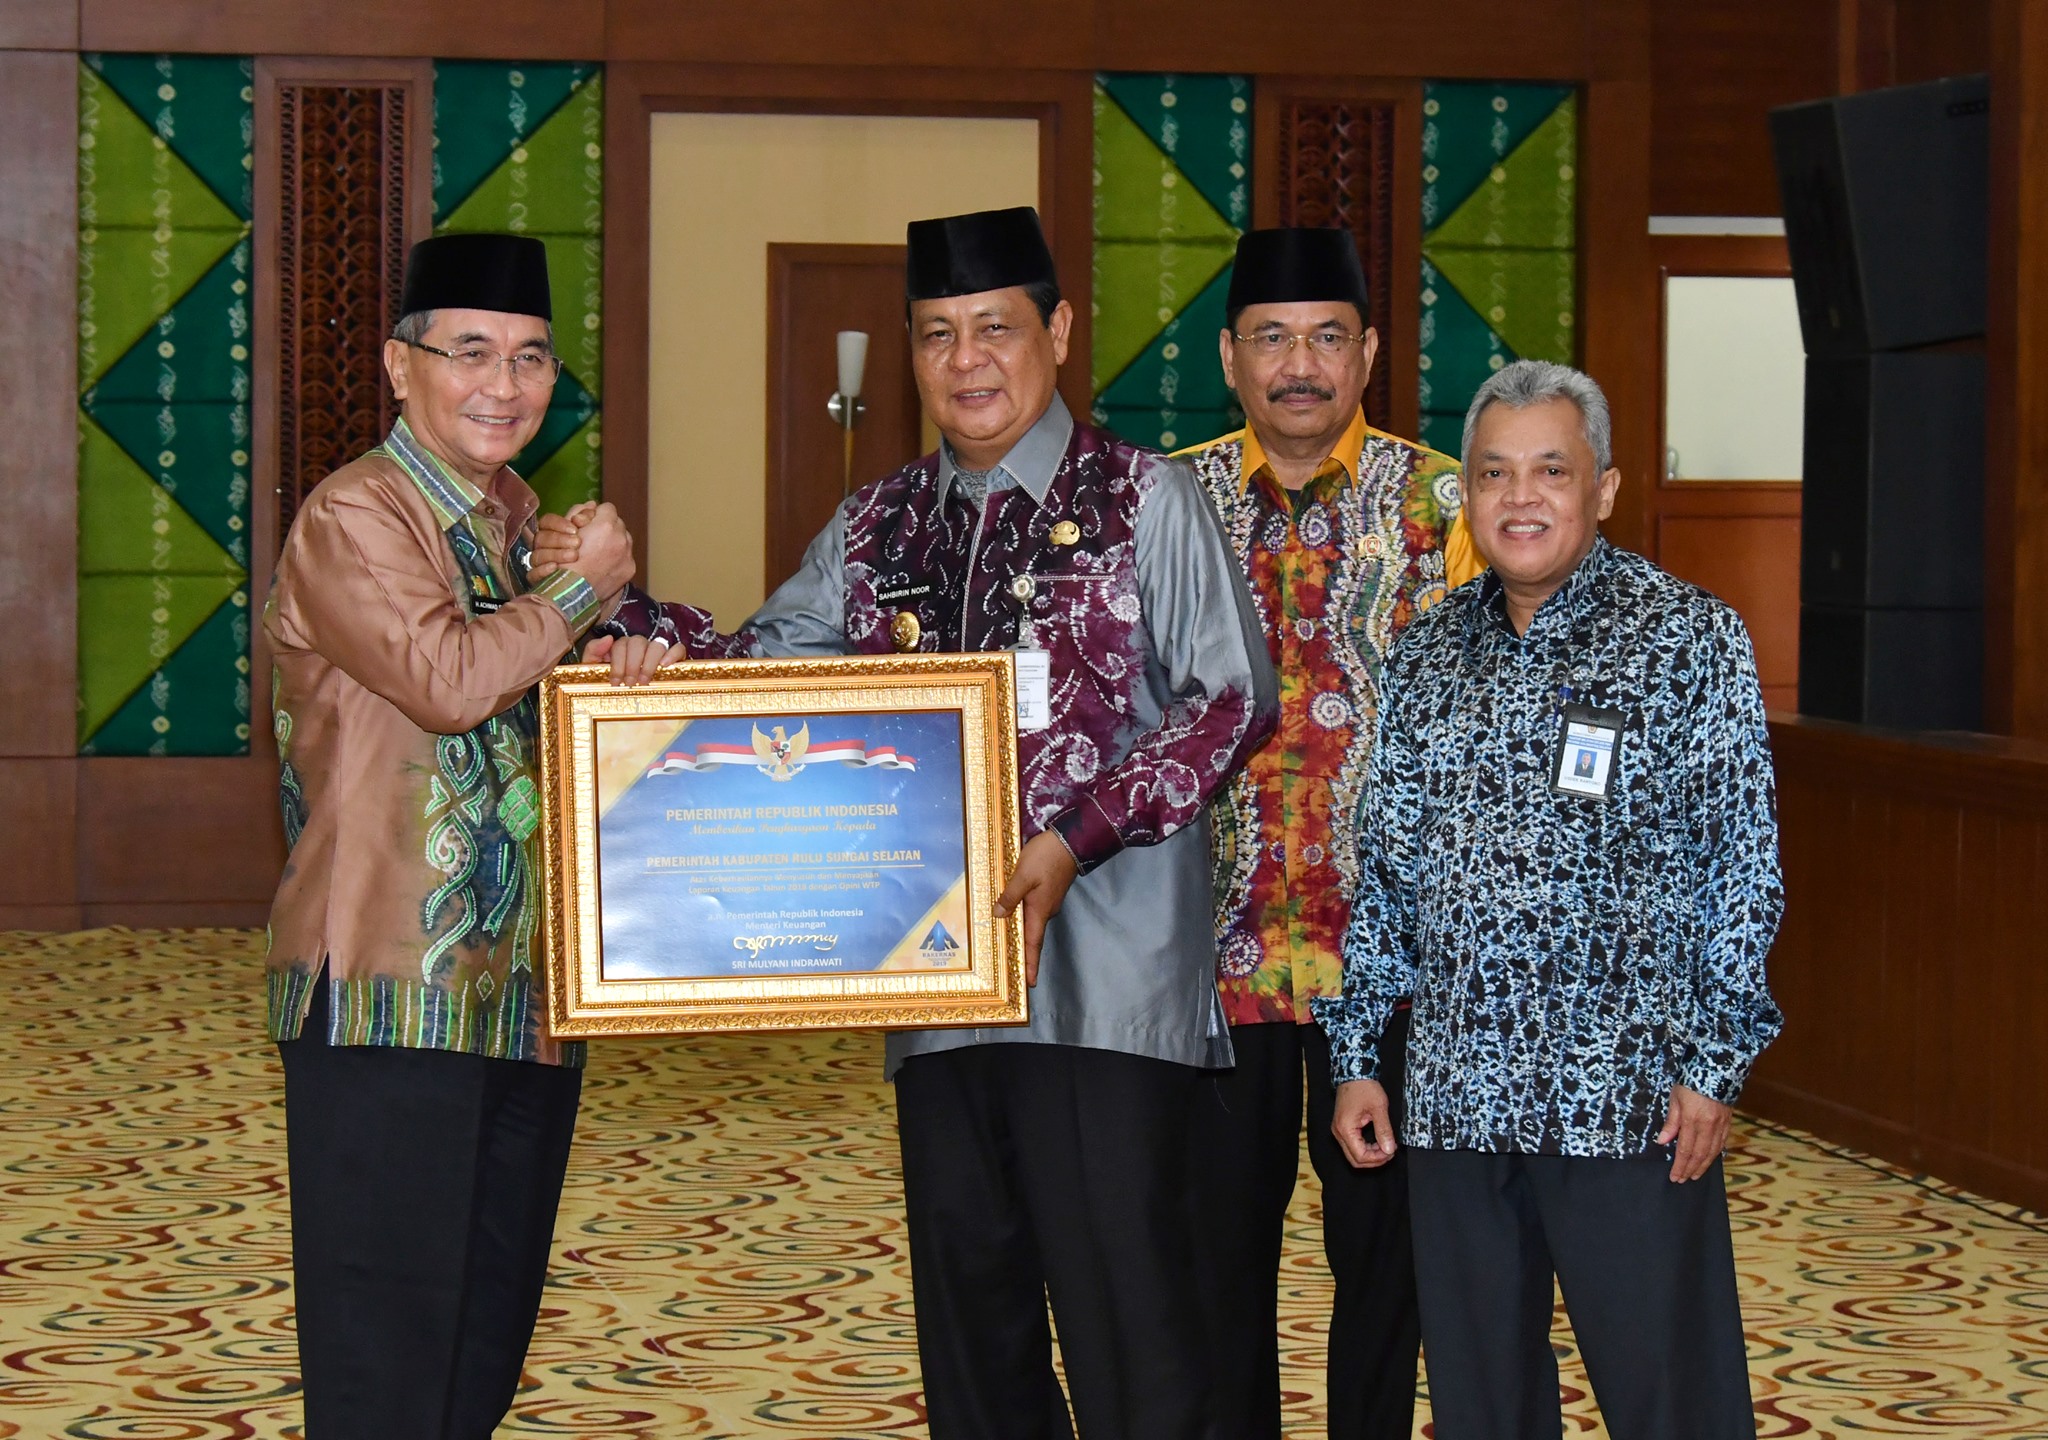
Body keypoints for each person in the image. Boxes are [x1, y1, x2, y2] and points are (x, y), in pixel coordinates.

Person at [542, 206, 1277, 1440]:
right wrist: (638, 627)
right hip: (938, 983)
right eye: (936, 335)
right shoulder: (880, 524)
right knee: (971, 1326)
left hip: (1105, 987)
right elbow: (764, 674)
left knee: (1133, 1332)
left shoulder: (1145, 499)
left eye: (995, 327)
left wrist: (1070, 840)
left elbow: (1228, 700)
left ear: (1056, 330)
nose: (967, 359)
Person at [1319, 359, 1784, 1440]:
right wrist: (1354, 1056)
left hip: (1624, 1097)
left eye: (1548, 471)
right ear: (1465, 496)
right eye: (1491, 473)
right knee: (1481, 1404)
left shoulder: (1685, 641)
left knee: (1670, 1395)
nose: (1517, 498)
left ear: (1604, 488)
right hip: (1456, 1096)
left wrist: (1711, 1062)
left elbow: (1739, 868)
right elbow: (1383, 871)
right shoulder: (1427, 652)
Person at [263, 232, 636, 1439]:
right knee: (386, 1362)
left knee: (478, 1351)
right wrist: (582, 596)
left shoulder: (521, 527)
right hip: (385, 996)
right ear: (398, 365)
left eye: (530, 358)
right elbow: (446, 677)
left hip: (524, 999)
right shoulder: (355, 513)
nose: (504, 384)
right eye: (468, 352)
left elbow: (549, 709)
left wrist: (625, 654)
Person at [1174, 226, 1481, 1440]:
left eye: (1326, 339)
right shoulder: (1167, 502)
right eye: (1270, 339)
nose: (1298, 365)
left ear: (1366, 355)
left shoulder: (1450, 503)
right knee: (1212, 1272)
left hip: (1392, 966)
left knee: (1390, 1271)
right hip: (1203, 963)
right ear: (1228, 357)